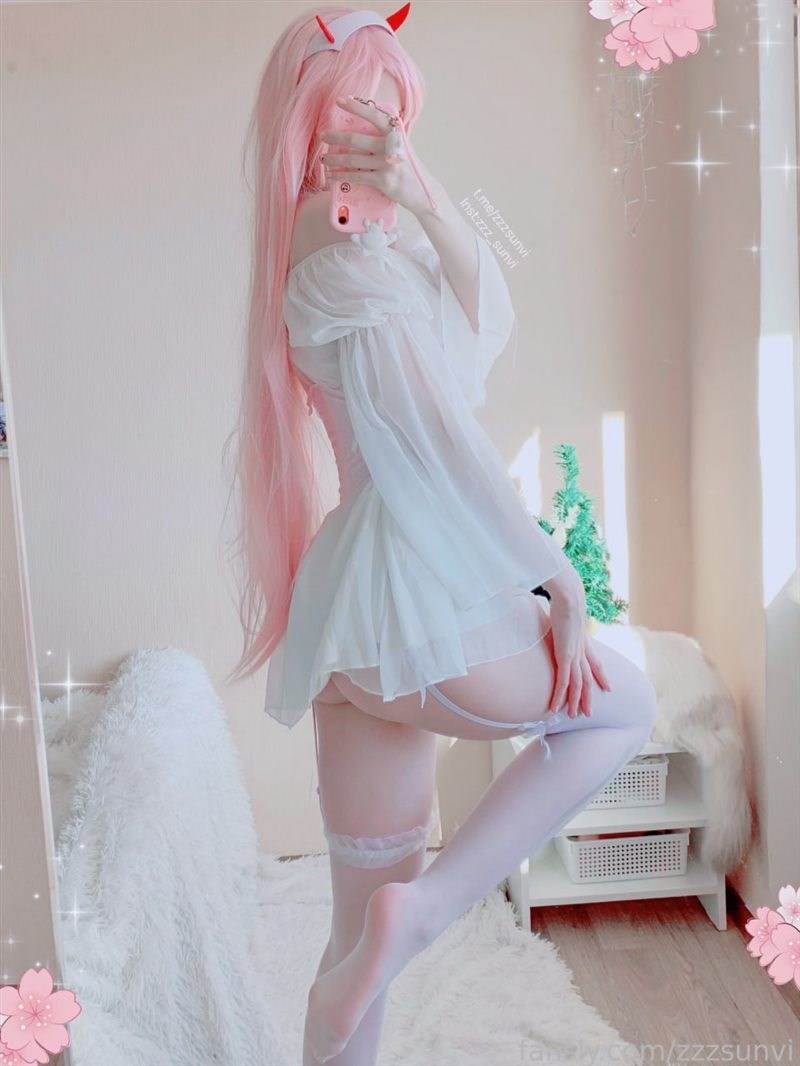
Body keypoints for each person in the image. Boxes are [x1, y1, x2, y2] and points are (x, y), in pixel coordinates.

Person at [225, 7, 658, 1064]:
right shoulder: (344, 253)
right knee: (623, 708)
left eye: (396, 109)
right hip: (409, 589)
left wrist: (423, 197)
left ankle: (392, 933)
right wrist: (551, 573)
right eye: (359, 108)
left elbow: (477, 319)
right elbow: (434, 436)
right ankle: (427, 912)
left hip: (358, 615)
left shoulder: (357, 240)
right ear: (311, 122)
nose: (383, 129)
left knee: (351, 944)